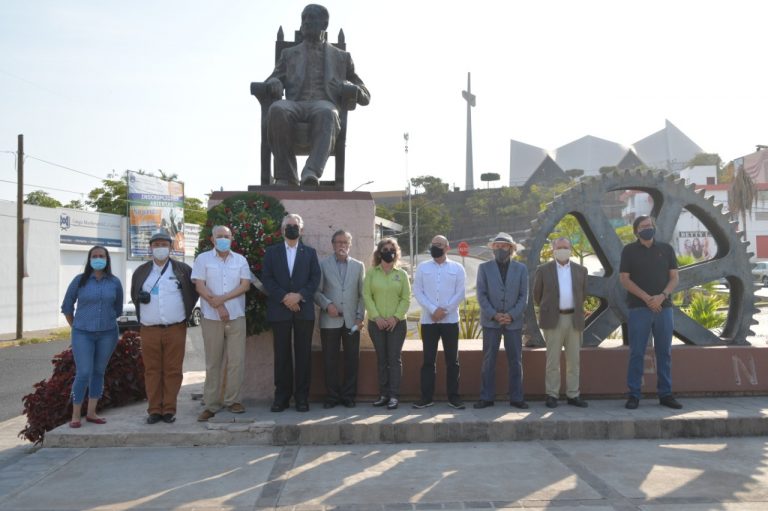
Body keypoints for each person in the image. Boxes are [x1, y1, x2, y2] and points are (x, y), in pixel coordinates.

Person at [265, 4, 370, 187]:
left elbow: (365, 95)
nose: (305, 22)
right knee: (277, 108)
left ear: (324, 24)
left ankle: (311, 173)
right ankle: (286, 176)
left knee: (328, 112)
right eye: (303, 18)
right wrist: (273, 82)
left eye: (311, 18)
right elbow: (270, 80)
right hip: (294, 104)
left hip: (324, 104)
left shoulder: (341, 57)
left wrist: (352, 90)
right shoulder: (289, 54)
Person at [130, 230, 199, 424]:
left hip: (176, 328)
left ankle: (169, 409)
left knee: (173, 370)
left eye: (164, 244)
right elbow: (135, 295)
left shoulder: (182, 270)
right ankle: (154, 410)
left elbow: (193, 294)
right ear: (150, 248)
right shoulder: (141, 272)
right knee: (152, 370)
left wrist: (183, 313)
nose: (160, 248)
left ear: (171, 247)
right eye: (156, 244)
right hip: (149, 328)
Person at [620, 215, 682, 410]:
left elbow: (674, 278)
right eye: (643, 226)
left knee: (664, 352)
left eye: (650, 225)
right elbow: (624, 279)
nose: (647, 228)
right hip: (639, 309)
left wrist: (661, 297)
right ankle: (634, 394)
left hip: (664, 308)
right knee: (636, 352)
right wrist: (647, 298)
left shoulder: (666, 249)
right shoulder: (629, 251)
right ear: (636, 230)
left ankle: (665, 394)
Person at [191, 225, 252, 421]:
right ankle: (211, 404)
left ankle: (232, 400)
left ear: (232, 238)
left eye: (227, 236)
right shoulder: (203, 259)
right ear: (212, 239)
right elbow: (200, 285)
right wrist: (216, 305)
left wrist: (222, 299)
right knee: (213, 362)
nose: (223, 239)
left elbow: (245, 285)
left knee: (236, 361)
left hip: (236, 317)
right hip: (211, 317)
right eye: (220, 236)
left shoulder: (240, 260)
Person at [262, 214, 322, 412]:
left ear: (301, 230)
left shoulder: (310, 253)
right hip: (280, 311)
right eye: (288, 225)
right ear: (282, 229)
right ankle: (282, 397)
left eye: (295, 225)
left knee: (303, 355)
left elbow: (314, 279)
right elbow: (267, 279)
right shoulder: (271, 252)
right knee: (282, 356)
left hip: (303, 311)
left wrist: (299, 296)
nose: (292, 228)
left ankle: (302, 397)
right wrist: (286, 298)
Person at [61, 246, 123, 428]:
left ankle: (91, 412)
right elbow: (67, 306)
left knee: (98, 372)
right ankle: (75, 414)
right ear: (89, 259)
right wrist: (76, 326)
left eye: (101, 256)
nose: (98, 258)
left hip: (108, 333)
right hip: (82, 333)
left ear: (107, 259)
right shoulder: (79, 281)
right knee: (84, 372)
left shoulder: (114, 282)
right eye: (94, 256)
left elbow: (118, 309)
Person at [474, 233, 529, 410]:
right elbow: (481, 295)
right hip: (491, 321)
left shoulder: (521, 269)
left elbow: (523, 296)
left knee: (516, 360)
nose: (499, 249)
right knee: (488, 360)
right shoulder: (484, 268)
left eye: (503, 246)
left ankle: (517, 397)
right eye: (496, 246)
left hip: (513, 322)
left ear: (511, 248)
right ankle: (486, 397)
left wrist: (511, 315)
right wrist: (494, 314)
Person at [532, 237, 588, 409]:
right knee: (552, 360)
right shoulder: (543, 270)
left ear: (570, 249)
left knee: (574, 360)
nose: (563, 250)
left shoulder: (581, 270)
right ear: (553, 250)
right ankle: (552, 394)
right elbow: (537, 296)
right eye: (559, 247)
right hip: (553, 320)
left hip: (574, 319)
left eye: (566, 247)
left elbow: (583, 294)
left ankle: (573, 394)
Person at [412, 235, 466, 410]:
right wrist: (433, 310)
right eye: (433, 244)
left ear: (447, 248)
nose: (435, 247)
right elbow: (418, 291)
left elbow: (460, 293)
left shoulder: (457, 268)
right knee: (428, 360)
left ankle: (454, 397)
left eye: (439, 245)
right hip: (429, 321)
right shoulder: (422, 267)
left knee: (452, 361)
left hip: (450, 321)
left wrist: (445, 310)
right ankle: (426, 397)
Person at [313, 230, 365, 408]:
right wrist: (327, 305)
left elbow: (362, 295)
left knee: (352, 358)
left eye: (345, 242)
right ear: (333, 245)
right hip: (330, 320)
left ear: (350, 245)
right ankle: (332, 396)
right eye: (338, 242)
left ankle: (349, 396)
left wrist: (360, 317)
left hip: (352, 321)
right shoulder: (323, 265)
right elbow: (316, 292)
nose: (342, 245)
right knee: (330, 359)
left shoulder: (359, 266)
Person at [363, 238, 411, 410]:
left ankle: (394, 396)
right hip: (376, 324)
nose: (388, 251)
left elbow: (406, 299)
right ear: (379, 252)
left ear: (396, 252)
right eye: (385, 248)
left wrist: (395, 317)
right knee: (382, 359)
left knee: (394, 359)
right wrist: (377, 317)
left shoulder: (402, 274)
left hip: (397, 324)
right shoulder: (371, 273)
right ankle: (383, 395)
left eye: (392, 249)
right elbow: (366, 296)